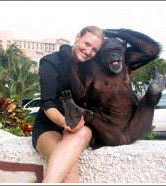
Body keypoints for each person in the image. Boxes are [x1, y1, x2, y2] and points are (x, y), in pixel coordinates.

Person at [32, 26, 104, 183]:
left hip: (79, 128)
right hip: (49, 126)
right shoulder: (51, 62)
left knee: (82, 134)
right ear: (78, 37)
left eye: (94, 50)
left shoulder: (92, 71)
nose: (88, 51)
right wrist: (66, 122)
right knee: (68, 171)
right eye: (87, 44)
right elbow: (48, 104)